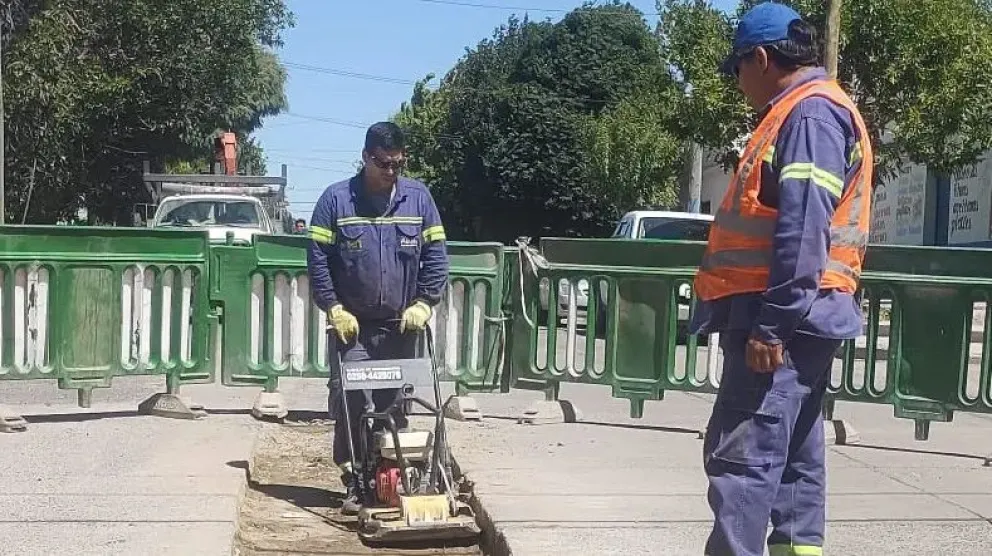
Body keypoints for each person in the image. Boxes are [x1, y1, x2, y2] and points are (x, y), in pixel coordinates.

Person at [690, 3, 873, 556]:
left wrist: (771, 328)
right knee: (794, 466)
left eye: (738, 69)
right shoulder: (818, 111)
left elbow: (802, 231)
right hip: (809, 317)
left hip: (782, 322)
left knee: (742, 464)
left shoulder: (808, 115)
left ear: (762, 58)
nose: (738, 83)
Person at [306, 122, 450, 514]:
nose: (391, 172)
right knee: (351, 402)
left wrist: (424, 302)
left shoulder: (418, 199)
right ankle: (354, 479)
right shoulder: (336, 201)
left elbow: (436, 256)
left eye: (398, 165)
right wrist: (333, 307)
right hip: (353, 328)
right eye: (384, 163)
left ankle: (394, 476)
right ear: (366, 157)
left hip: (401, 326)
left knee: (395, 405)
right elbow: (318, 261)